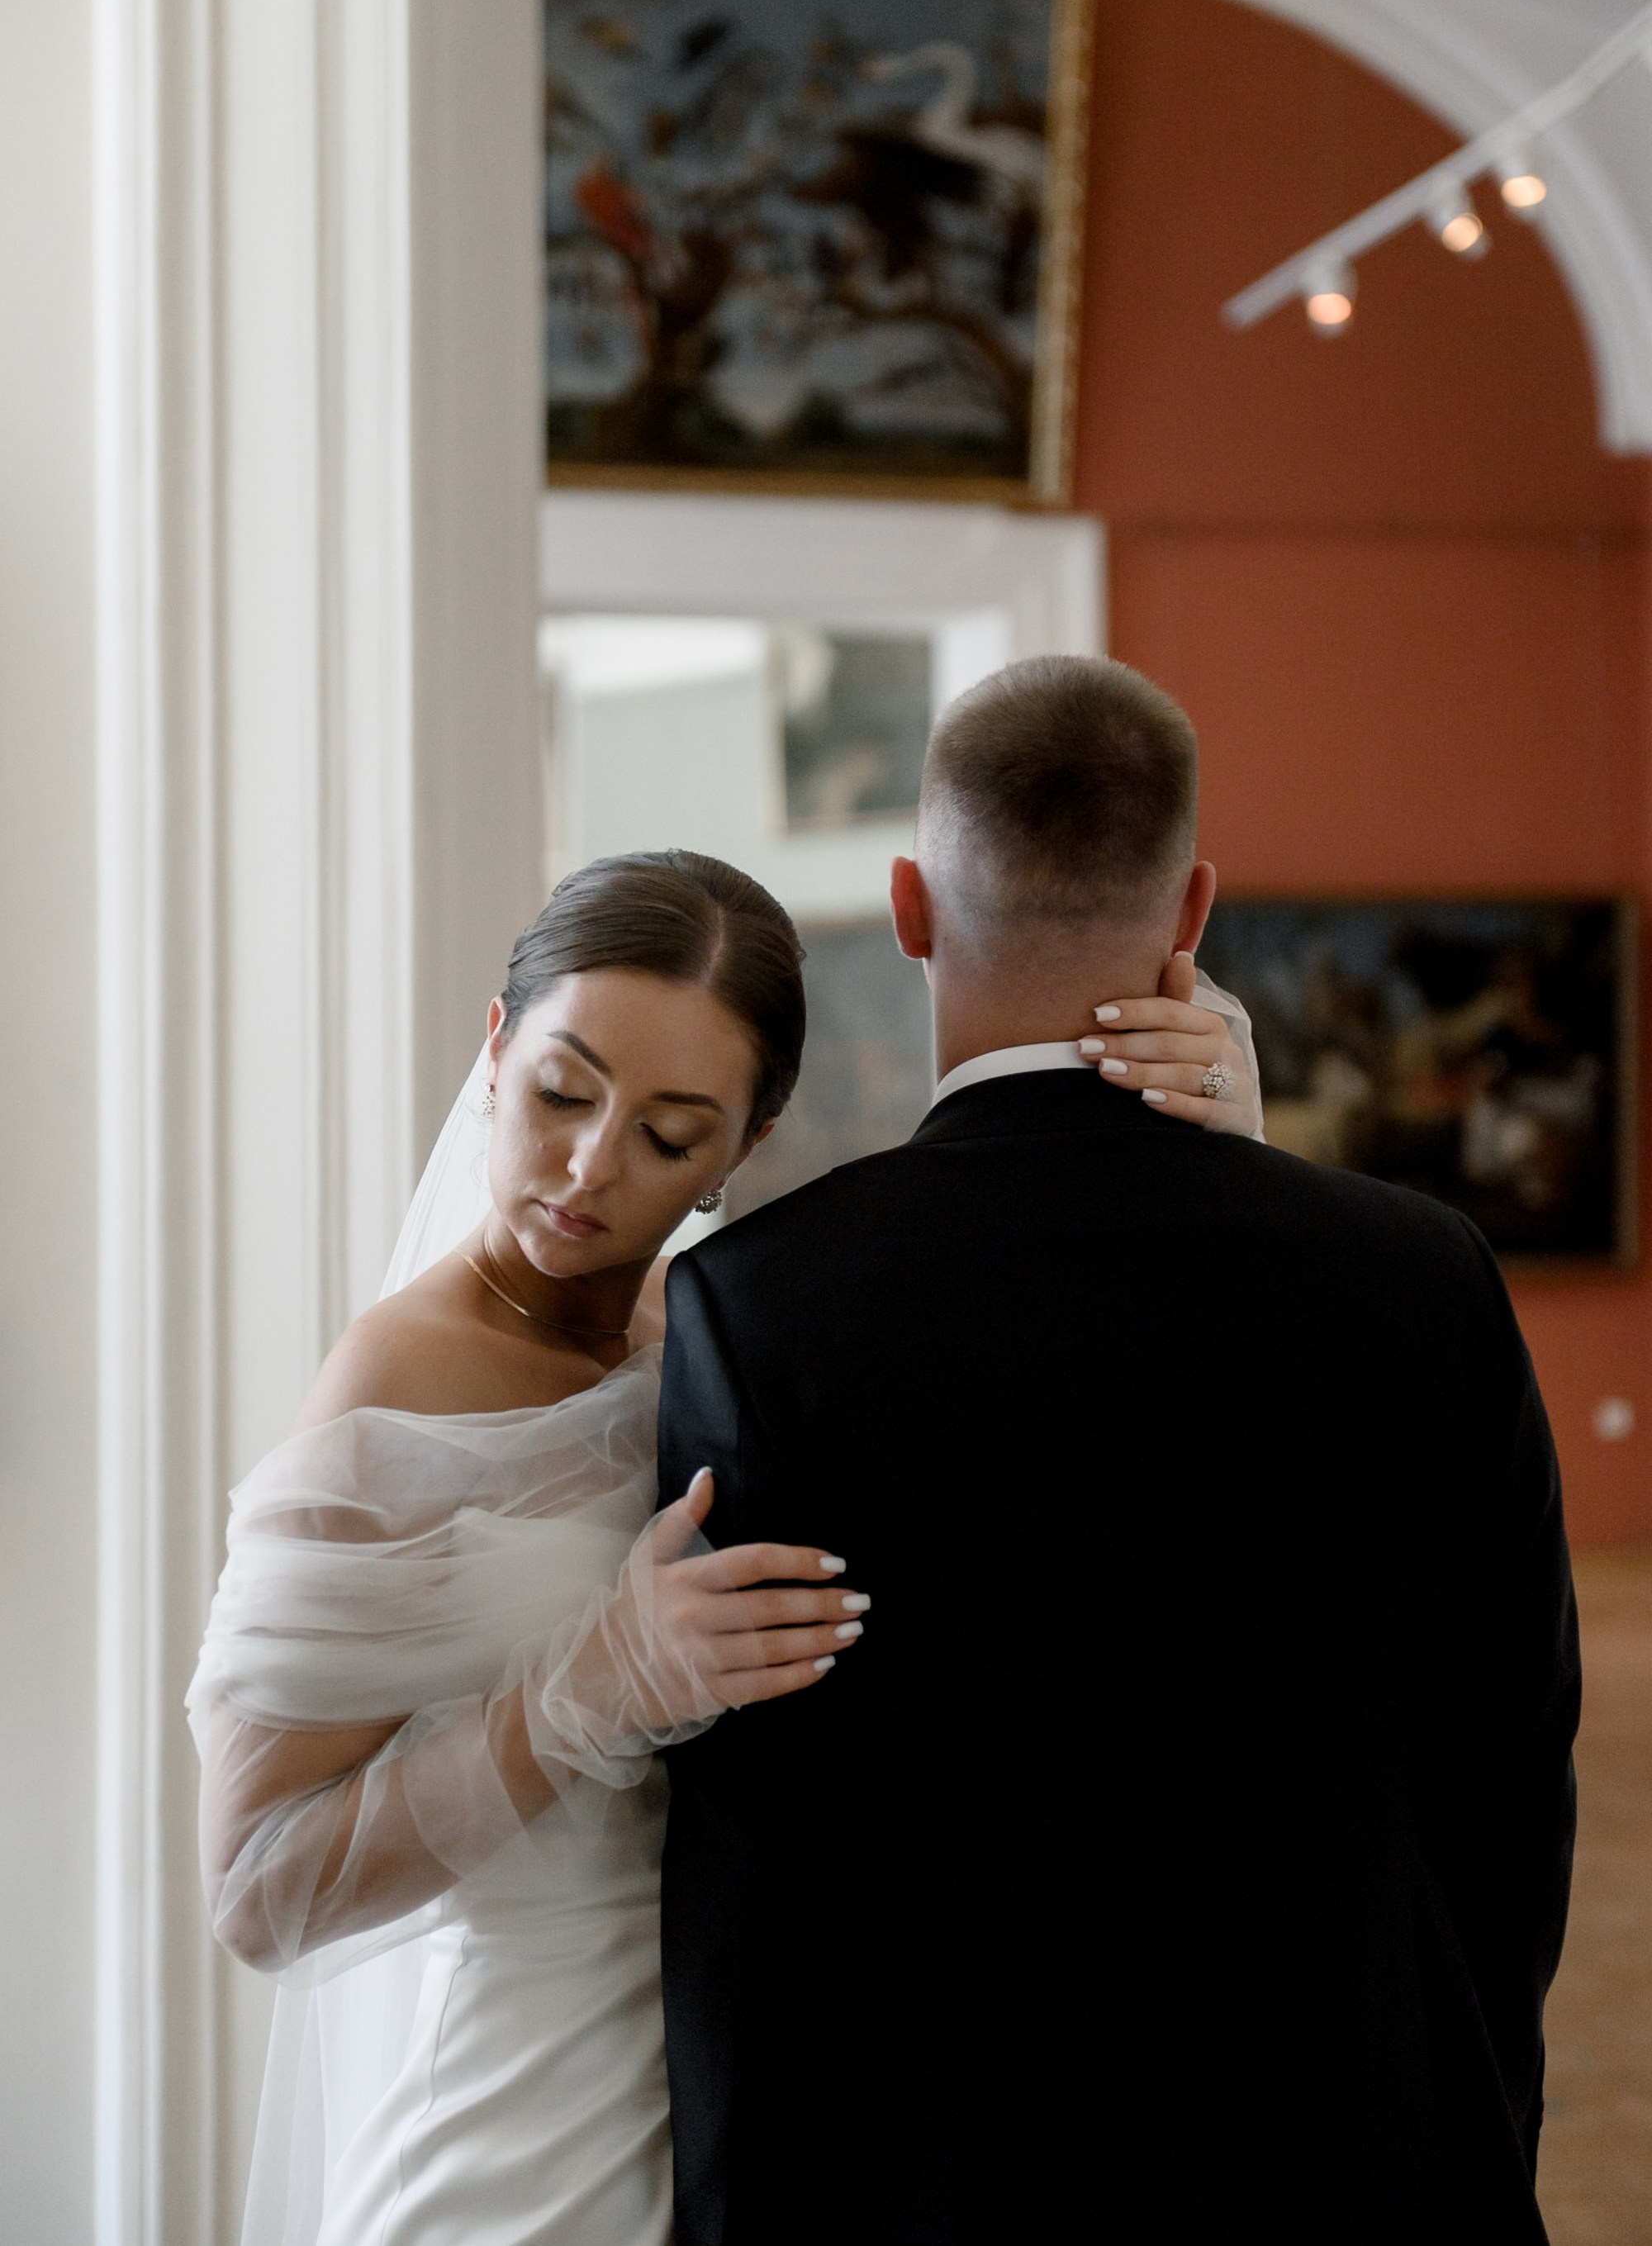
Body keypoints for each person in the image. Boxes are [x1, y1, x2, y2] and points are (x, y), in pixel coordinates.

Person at [188, 842, 1254, 2246]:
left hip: (748, 2088)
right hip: (516, 2119)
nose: (587, 1167)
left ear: (745, 1149)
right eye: (563, 1092)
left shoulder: (722, 1334)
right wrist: (589, 1693)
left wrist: (1209, 1143)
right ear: (497, 1049)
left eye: (670, 1133)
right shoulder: (390, 1395)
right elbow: (261, 1890)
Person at [656, 658, 1580, 2246]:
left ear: (907, 903)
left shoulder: (762, 1305)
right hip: (1351, 2141)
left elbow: (757, 1858)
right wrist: (1470, 2116)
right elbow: (1507, 1776)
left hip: (937, 2166)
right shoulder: (1426, 1276)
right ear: (1194, 908)